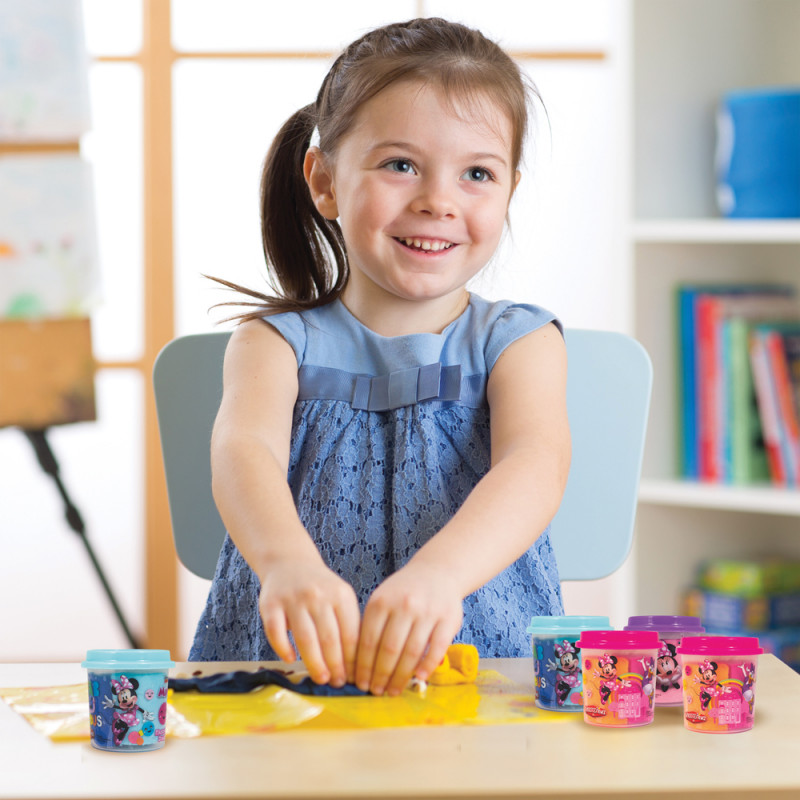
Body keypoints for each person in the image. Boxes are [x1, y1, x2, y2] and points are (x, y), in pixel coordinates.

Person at [190, 17, 571, 698]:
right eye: (401, 164)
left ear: (511, 188)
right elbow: (241, 451)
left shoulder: (519, 341)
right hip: (292, 674)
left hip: (483, 673)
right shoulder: (274, 344)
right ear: (325, 181)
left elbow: (535, 465)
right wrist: (284, 562)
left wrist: (441, 576)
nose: (437, 201)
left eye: (477, 173)